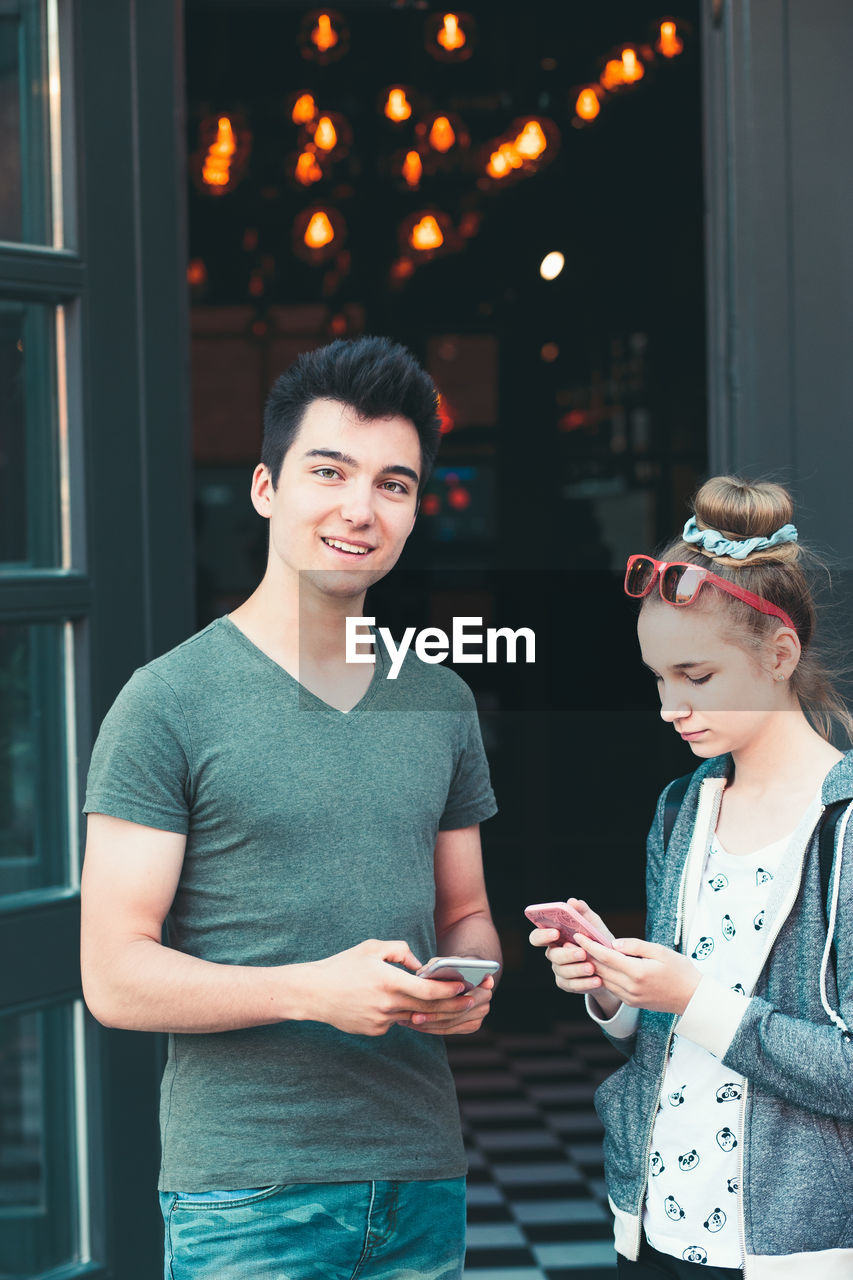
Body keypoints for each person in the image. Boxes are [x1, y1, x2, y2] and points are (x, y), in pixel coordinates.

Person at [81, 336, 501, 1280]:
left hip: (421, 1177)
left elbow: (464, 910)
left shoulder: (439, 699)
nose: (360, 509)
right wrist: (312, 990)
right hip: (247, 1194)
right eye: (329, 471)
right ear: (267, 488)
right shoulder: (168, 700)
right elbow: (113, 977)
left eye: (394, 484)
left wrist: (470, 978)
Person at [530, 476, 853, 1278]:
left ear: (778, 655)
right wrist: (612, 984)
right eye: (657, 678)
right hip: (657, 1225)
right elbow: (665, 1023)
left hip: (794, 1247)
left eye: (696, 676)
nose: (670, 705)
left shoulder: (843, 825)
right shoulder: (682, 807)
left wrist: (689, 995)